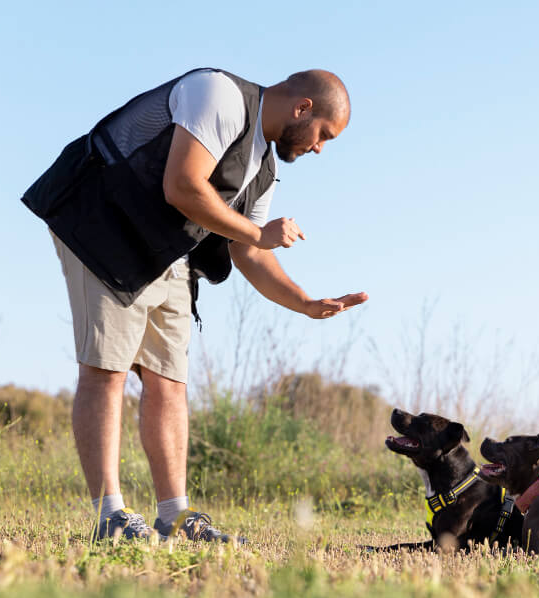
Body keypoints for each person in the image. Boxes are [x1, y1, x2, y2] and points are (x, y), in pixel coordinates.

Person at [22, 67, 367, 542]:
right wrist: (254, 232)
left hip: (164, 248)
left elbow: (249, 251)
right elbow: (183, 185)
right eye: (323, 135)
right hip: (102, 223)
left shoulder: (264, 169)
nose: (319, 148)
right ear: (303, 108)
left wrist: (305, 303)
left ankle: (176, 518)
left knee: (169, 380)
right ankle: (111, 516)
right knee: (108, 369)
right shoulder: (219, 95)